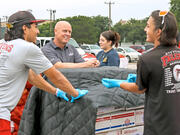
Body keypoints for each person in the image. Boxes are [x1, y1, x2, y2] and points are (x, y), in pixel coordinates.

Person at [0, 11, 88, 135]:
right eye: (36, 27)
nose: (38, 32)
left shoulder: (3, 43)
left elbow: (32, 77)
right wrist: (74, 93)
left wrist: (56, 91)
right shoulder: (27, 48)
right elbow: (55, 75)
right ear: (25, 28)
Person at [102, 10, 180, 135]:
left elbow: (139, 89)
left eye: (148, 26)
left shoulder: (147, 58)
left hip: (158, 126)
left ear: (158, 32)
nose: (145, 29)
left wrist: (118, 83)